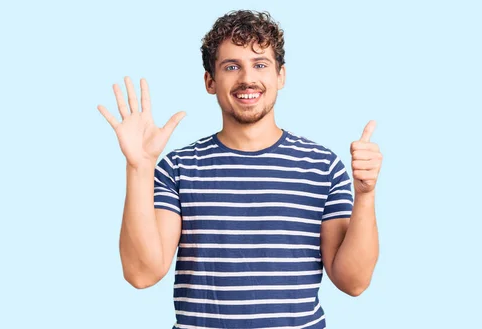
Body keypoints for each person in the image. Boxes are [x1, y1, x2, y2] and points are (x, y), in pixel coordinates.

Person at [97, 9, 381, 329]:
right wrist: (139, 168)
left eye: (260, 65)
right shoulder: (177, 168)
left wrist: (366, 195)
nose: (248, 78)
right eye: (232, 66)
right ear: (210, 81)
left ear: (280, 76)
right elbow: (141, 274)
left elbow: (353, 283)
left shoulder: (322, 166)